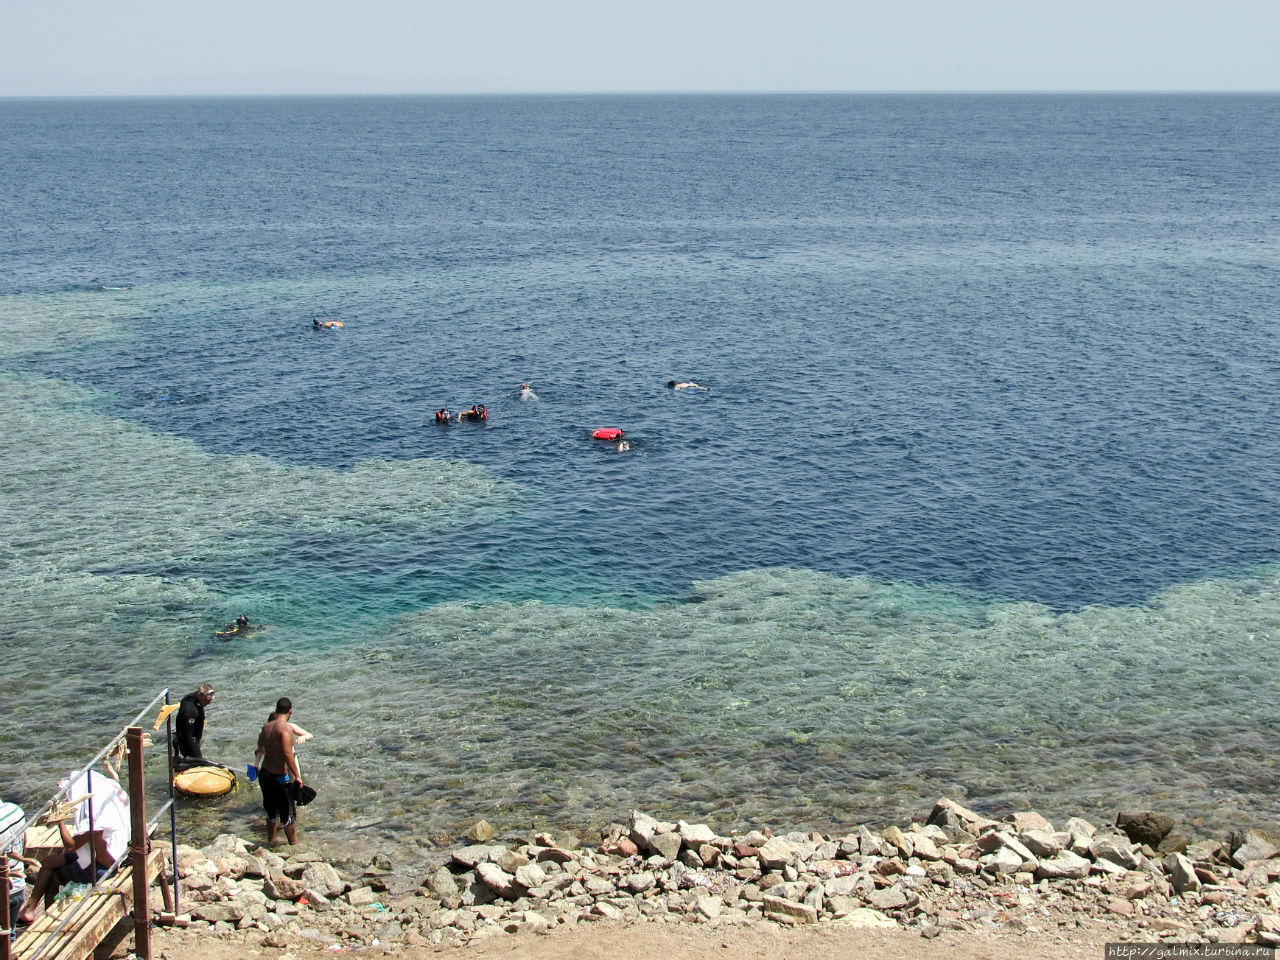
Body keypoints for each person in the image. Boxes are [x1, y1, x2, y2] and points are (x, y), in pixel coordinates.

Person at [15, 818, 116, 925]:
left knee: (53, 875)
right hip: (95, 856)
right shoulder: (109, 809)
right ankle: (29, 910)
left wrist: (60, 821)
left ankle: (49, 921)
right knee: (48, 862)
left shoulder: (95, 818)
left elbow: (70, 846)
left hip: (103, 870)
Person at [256, 697, 304, 844]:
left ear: (276, 710)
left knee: (271, 811)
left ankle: (272, 840)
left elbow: (260, 749)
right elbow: (287, 754)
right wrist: (297, 776)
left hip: (264, 774)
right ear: (290, 711)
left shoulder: (266, 727)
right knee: (288, 815)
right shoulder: (286, 728)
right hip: (279, 777)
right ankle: (294, 846)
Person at [255, 711, 312, 778]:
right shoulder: (264, 731)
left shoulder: (289, 727)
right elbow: (260, 750)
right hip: (273, 762)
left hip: (290, 759)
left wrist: (303, 737)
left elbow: (310, 735)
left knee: (295, 781)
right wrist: (256, 764)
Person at [175, 684, 215, 770]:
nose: (208, 703)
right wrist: (198, 757)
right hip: (188, 741)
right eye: (207, 700)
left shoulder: (193, 697)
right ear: (200, 695)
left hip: (192, 735)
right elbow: (187, 736)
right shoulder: (191, 711)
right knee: (199, 765)